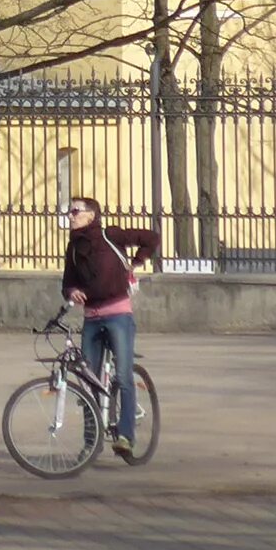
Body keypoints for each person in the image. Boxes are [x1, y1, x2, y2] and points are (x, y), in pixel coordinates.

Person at [62, 195, 159, 463]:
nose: (70, 216)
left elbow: (151, 237)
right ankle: (90, 444)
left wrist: (137, 261)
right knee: (88, 382)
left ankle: (125, 437)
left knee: (123, 377)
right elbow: (67, 282)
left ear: (91, 215)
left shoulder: (110, 235)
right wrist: (72, 291)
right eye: (68, 212)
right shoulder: (73, 248)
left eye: (74, 211)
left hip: (118, 316)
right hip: (91, 319)